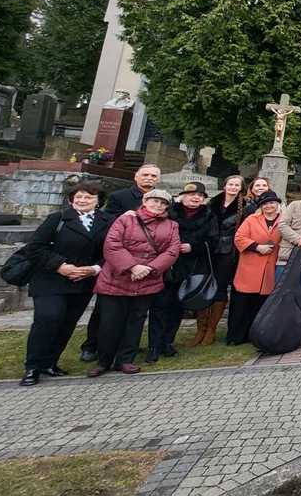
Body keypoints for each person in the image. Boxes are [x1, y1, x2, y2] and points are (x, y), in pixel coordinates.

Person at [19, 181, 109, 386]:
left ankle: (50, 362)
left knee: (67, 322)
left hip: (83, 281)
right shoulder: (57, 219)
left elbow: (110, 250)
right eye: (78, 197)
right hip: (51, 279)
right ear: (71, 200)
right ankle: (32, 367)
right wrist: (60, 266)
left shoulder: (106, 221)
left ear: (98, 201)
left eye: (88, 197)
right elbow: (35, 248)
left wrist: (94, 269)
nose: (82, 200)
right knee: (48, 318)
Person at [90, 189, 180, 377]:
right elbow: (112, 245)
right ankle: (104, 360)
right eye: (154, 201)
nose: (158, 205)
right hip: (117, 278)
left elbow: (172, 251)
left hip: (148, 279)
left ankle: (125, 360)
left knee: (136, 321)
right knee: (110, 322)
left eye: (163, 203)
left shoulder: (171, 225)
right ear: (145, 201)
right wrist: (132, 267)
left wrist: (150, 268)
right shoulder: (125, 220)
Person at [79, 163, 162, 362]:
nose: (149, 178)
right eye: (145, 175)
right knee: (105, 310)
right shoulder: (120, 197)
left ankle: (125, 348)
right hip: (119, 264)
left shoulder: (162, 200)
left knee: (136, 312)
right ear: (136, 176)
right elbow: (106, 224)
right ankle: (92, 345)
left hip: (147, 265)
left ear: (158, 179)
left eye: (153, 176)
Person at [148, 182, 217, 363]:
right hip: (166, 266)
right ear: (182, 196)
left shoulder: (209, 216)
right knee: (160, 307)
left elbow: (213, 241)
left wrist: (193, 247)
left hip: (191, 267)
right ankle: (154, 345)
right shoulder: (169, 213)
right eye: (192, 194)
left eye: (200, 196)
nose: (196, 198)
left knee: (178, 307)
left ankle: (168, 342)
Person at [228, 191, 282, 345]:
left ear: (277, 204)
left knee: (262, 305)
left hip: (270, 267)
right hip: (250, 266)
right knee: (242, 304)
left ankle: (258, 335)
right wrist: (257, 247)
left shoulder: (283, 220)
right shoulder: (252, 219)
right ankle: (236, 336)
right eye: (265, 204)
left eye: (272, 203)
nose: (269, 206)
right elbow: (239, 237)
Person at [197, 174, 244, 347]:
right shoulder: (212, 203)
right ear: (225, 186)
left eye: (236, 185)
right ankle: (200, 328)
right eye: (230, 184)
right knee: (203, 286)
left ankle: (211, 329)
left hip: (228, 252)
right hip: (208, 249)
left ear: (240, 188)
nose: (233, 187)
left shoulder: (243, 206)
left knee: (220, 288)